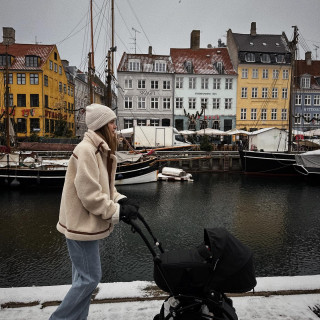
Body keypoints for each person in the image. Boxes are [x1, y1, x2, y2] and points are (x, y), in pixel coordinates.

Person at [49, 103, 139, 320]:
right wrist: (117, 212)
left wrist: (121, 199)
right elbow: (90, 196)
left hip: (82, 223)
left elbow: (105, 188)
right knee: (90, 278)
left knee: (82, 278)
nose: (116, 127)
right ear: (101, 125)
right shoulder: (87, 151)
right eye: (112, 122)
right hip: (81, 225)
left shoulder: (98, 150)